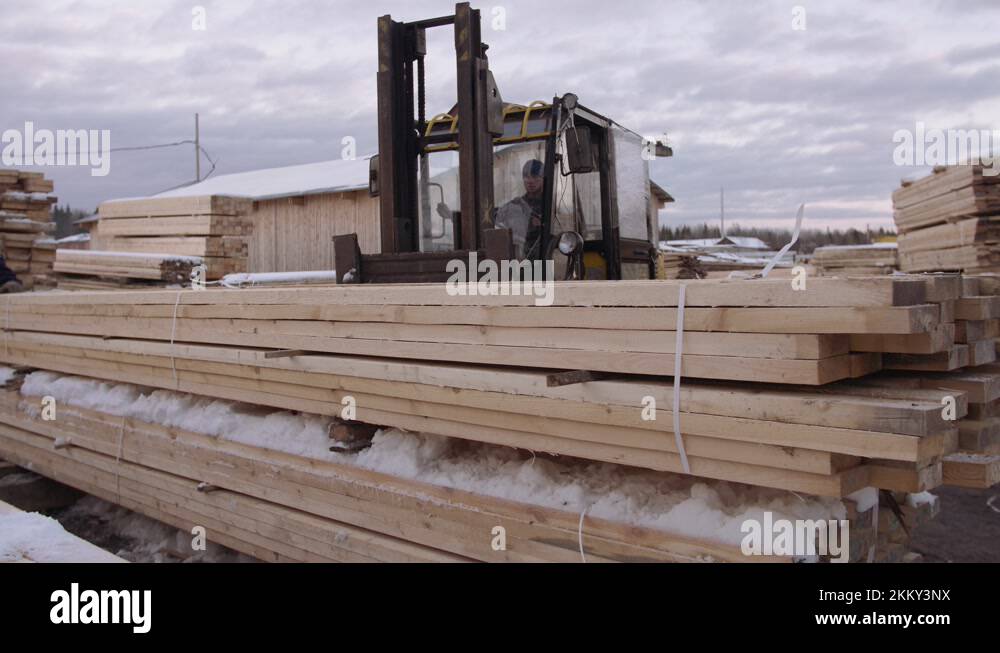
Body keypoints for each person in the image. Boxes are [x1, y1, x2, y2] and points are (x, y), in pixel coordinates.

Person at [494, 159, 545, 260]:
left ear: (543, 178)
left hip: (544, 260)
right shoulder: (517, 204)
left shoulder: (551, 205)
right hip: (519, 260)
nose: (530, 181)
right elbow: (495, 215)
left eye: (535, 177)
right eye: (526, 177)